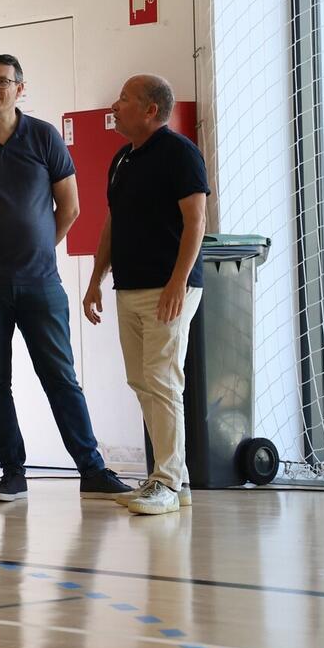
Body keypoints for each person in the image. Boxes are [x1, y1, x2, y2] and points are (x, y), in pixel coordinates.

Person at [0, 53, 132, 503]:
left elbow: (71, 207)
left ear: (20, 88)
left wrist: (41, 245)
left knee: (60, 376)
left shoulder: (44, 137)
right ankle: (13, 472)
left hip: (40, 282)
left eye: (3, 82)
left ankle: (92, 468)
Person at [82, 75, 208, 516]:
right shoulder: (122, 159)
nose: (115, 105)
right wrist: (96, 277)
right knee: (142, 381)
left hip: (168, 289)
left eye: (125, 99)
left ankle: (166, 482)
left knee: (162, 379)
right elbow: (112, 223)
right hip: (128, 288)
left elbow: (196, 221)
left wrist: (178, 282)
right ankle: (178, 478)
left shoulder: (180, 154)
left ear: (150, 110)